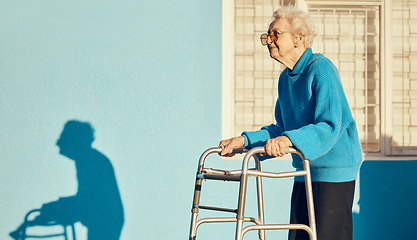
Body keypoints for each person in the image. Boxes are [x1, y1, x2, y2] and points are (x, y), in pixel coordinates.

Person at [219, 6, 362, 240]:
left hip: (334, 170)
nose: (269, 41)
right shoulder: (286, 79)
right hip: (304, 169)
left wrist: (288, 140)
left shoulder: (320, 69)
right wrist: (245, 142)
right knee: (299, 237)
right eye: (267, 35)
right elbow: (281, 129)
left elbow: (329, 126)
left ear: (299, 38)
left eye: (276, 34)